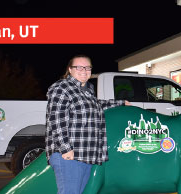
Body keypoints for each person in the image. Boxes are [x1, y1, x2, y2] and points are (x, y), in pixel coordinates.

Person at [45, 55, 130, 194]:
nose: (84, 70)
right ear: (70, 70)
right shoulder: (62, 87)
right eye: (79, 67)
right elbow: (56, 119)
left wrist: (120, 103)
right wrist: (66, 148)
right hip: (69, 154)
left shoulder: (88, 90)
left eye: (87, 67)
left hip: (86, 153)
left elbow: (97, 105)